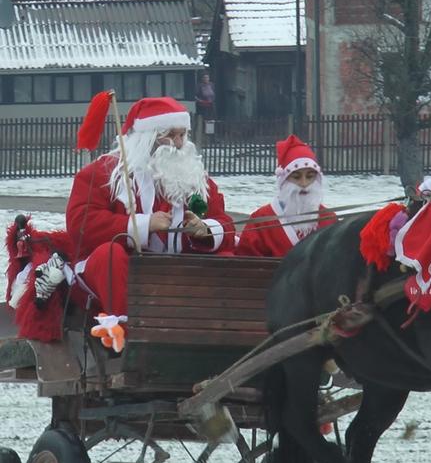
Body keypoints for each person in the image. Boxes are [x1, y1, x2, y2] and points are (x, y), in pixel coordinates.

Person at [65, 96, 235, 349]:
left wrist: (206, 230)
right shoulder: (104, 174)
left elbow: (225, 223)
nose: (179, 143)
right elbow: (81, 223)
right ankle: (125, 331)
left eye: (182, 135)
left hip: (178, 271)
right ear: (147, 138)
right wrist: (144, 225)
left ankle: (223, 331)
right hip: (121, 270)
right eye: (170, 136)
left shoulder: (195, 179)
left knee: (227, 259)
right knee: (109, 254)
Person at [236, 134, 336, 257]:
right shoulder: (262, 220)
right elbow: (246, 261)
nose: (304, 184)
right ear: (283, 181)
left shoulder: (328, 219)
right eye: (296, 177)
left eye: (310, 176)